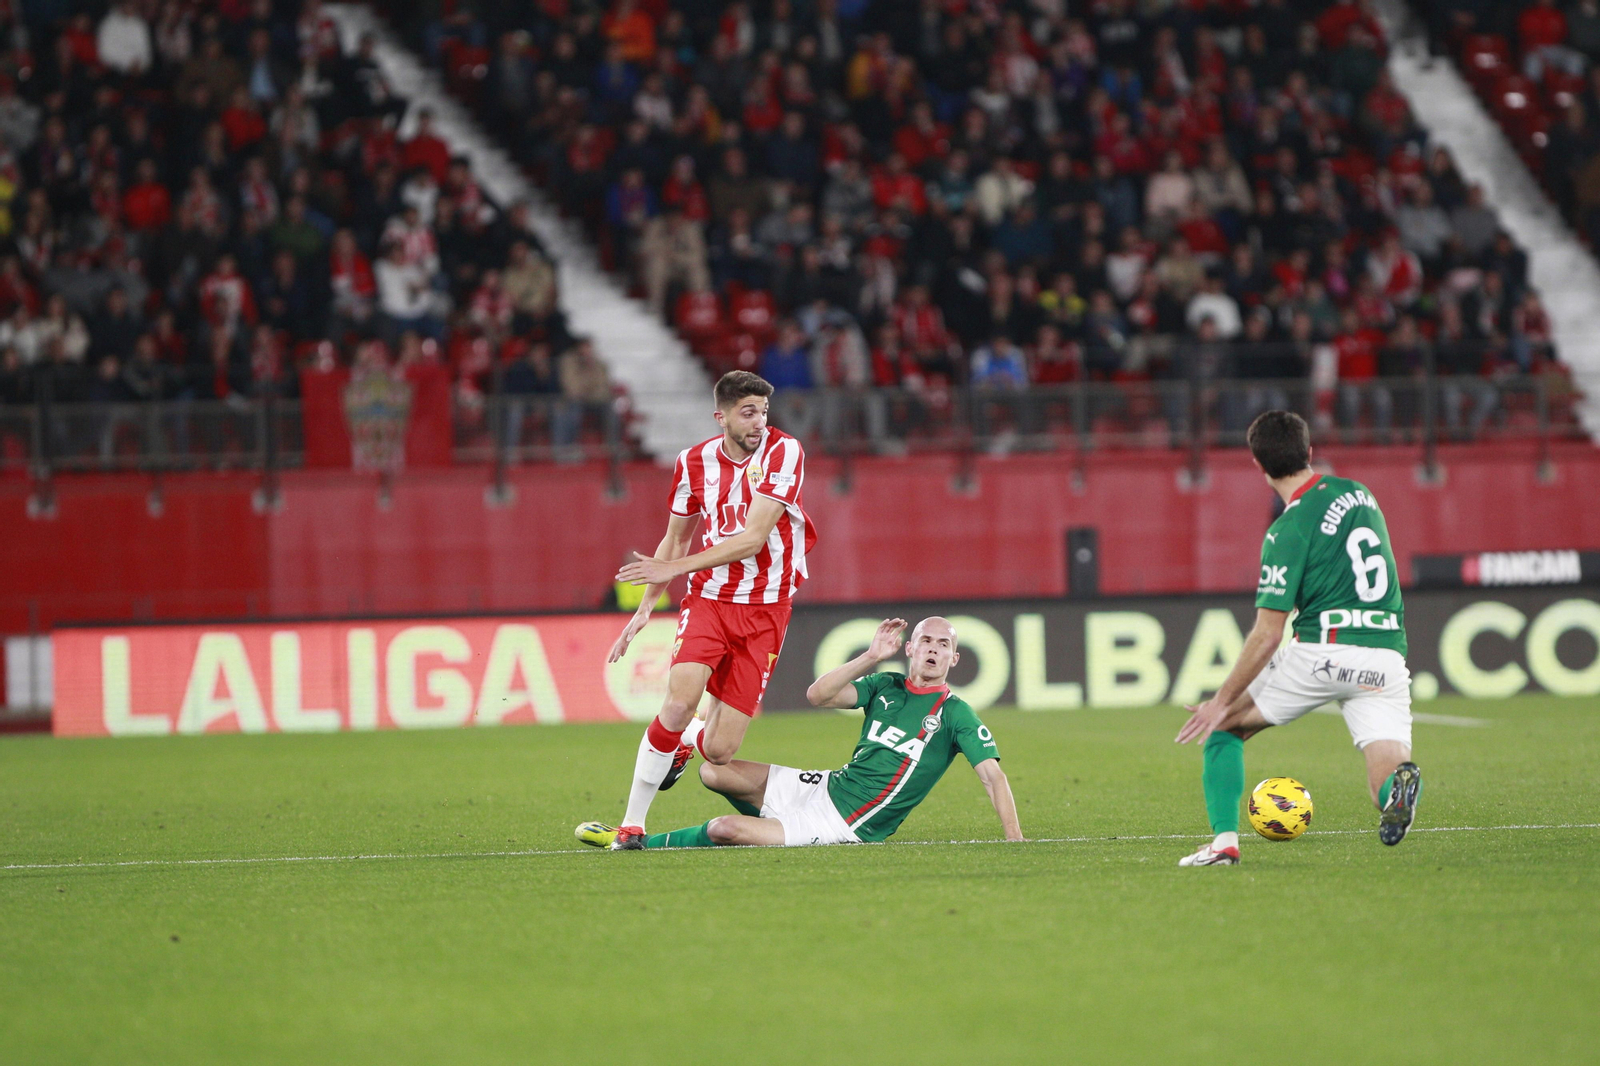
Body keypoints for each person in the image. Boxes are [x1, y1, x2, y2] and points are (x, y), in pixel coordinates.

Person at [1174, 411, 1421, 866]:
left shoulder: (1287, 530)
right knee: (1383, 775)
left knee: (1225, 731)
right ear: (1309, 452)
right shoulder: (1358, 493)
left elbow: (1268, 633)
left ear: (1258, 465)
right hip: (1386, 656)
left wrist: (1221, 700)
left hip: (1324, 652)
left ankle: (1224, 843)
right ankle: (1397, 791)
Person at [577, 617, 1022, 849]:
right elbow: (818, 695)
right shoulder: (884, 685)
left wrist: (1014, 841)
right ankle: (760, 811)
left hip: (844, 824)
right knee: (714, 772)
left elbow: (992, 776)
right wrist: (870, 656)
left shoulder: (956, 713)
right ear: (910, 648)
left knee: (723, 828)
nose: (934, 650)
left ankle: (638, 844)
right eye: (926, 641)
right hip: (828, 785)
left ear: (955, 660)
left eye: (944, 645)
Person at [603, 371, 818, 850]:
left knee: (720, 752)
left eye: (764, 412)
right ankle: (632, 825)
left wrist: (672, 566)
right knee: (678, 701)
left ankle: (687, 741)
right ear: (720, 416)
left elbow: (752, 538)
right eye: (748, 412)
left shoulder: (785, 452)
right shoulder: (692, 462)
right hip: (710, 599)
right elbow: (675, 536)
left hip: (767, 608)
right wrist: (643, 610)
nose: (759, 422)